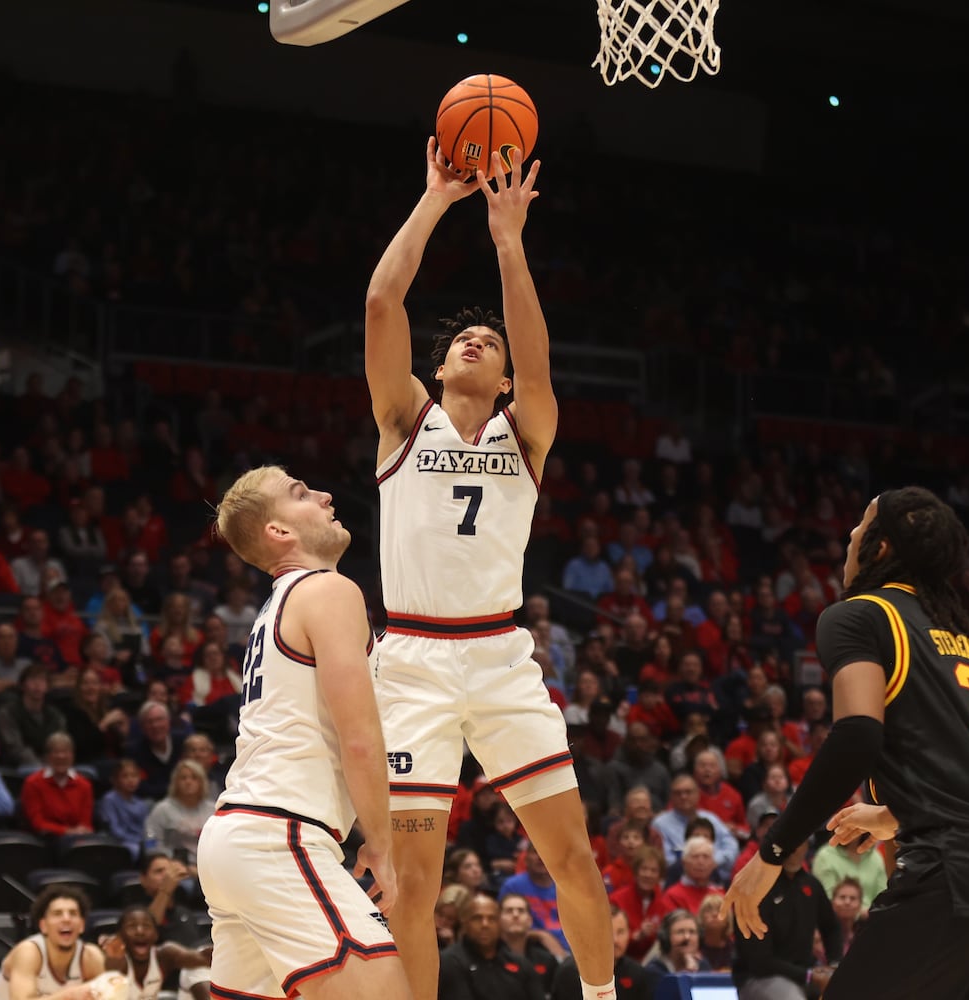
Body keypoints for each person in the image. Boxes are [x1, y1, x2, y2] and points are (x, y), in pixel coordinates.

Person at [365, 141, 612, 1000]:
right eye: (461, 338)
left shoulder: (527, 431)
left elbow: (542, 360)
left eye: (489, 341)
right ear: (437, 368)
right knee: (413, 882)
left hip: (502, 660)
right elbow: (381, 299)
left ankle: (600, 996)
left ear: (507, 379)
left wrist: (509, 238)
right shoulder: (403, 420)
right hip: (414, 664)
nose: (474, 339)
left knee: (572, 854)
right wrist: (436, 200)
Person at [726, 487, 969, 999]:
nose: (849, 539)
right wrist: (896, 813)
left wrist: (772, 853)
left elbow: (856, 735)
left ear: (879, 549)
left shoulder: (861, 615)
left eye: (857, 530)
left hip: (964, 874)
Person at [203, 466, 408, 1000]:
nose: (324, 494)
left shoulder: (276, 606)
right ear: (279, 532)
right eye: (300, 493)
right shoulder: (328, 590)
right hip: (279, 836)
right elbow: (359, 739)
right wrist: (382, 848)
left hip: (239, 837)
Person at [731, 842, 839, 1000]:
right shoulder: (757, 888)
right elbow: (760, 961)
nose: (793, 848)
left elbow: (831, 927)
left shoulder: (811, 884)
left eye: (799, 843)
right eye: (790, 842)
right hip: (758, 978)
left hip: (804, 975)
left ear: (807, 846)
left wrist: (834, 964)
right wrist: (809, 976)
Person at [0, 887, 108, 1000]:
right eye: (57, 913)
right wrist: (70, 995)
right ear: (43, 926)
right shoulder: (28, 952)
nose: (66, 919)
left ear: (82, 925)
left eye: (73, 913)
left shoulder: (91, 957)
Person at [438, 893, 543, 1000]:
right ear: (465, 923)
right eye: (477, 918)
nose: (485, 924)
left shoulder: (521, 964)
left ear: (500, 923)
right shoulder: (449, 961)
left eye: (492, 918)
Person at [100, 903, 212, 1000]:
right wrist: (110, 957)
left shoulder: (164, 955)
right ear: (120, 934)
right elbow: (109, 968)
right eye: (132, 926)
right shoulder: (115, 959)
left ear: (156, 934)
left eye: (147, 926)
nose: (140, 931)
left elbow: (203, 958)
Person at [551, 905, 658, 1000]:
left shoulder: (638, 973)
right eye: (608, 932)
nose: (615, 940)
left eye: (620, 932)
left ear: (629, 933)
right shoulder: (569, 971)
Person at [21, 734, 93, 838]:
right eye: (56, 752)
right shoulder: (33, 783)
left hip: (78, 839)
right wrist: (67, 831)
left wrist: (78, 832)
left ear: (72, 755)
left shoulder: (84, 785)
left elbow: (86, 824)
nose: (61, 756)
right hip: (46, 839)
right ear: (48, 756)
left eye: (65, 752)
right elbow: (38, 823)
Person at [146, 761, 213, 862]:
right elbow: (152, 842)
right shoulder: (163, 809)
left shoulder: (213, 810)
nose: (188, 782)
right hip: (172, 865)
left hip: (207, 864)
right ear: (175, 782)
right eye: (183, 778)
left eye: (194, 778)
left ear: (202, 782)